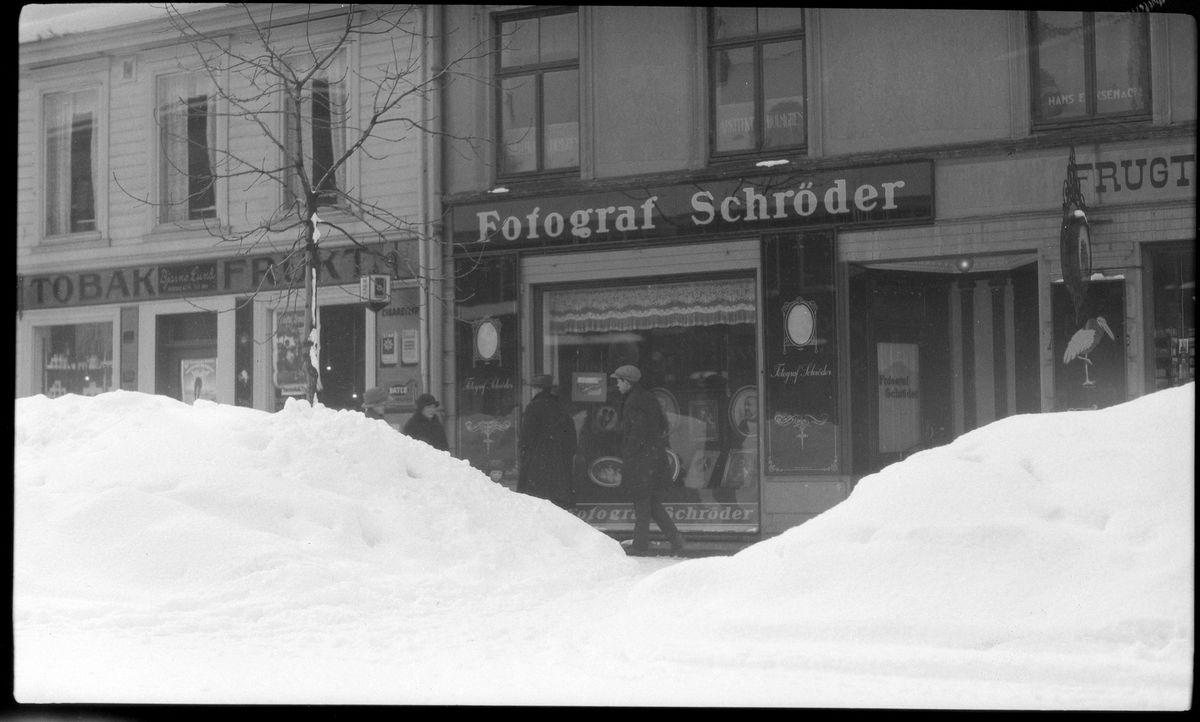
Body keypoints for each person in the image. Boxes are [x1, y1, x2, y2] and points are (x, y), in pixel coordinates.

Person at [611, 364, 685, 556]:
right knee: (649, 501)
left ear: (627, 382)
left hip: (641, 460)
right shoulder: (646, 398)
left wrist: (628, 452)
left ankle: (641, 544)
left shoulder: (633, 401)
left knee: (642, 503)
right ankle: (674, 537)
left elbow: (637, 431)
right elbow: (661, 426)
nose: (617, 385)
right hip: (651, 457)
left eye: (618, 381)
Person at [518, 374, 577, 509]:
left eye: (533, 388)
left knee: (536, 502)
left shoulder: (533, 407)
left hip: (536, 464)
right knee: (556, 503)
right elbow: (571, 440)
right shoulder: (560, 408)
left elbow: (526, 438)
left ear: (537, 390)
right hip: (559, 465)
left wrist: (525, 453)